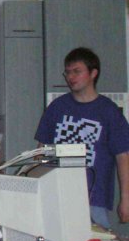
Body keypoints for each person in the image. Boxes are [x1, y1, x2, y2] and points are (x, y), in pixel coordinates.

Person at [34, 47, 129, 227]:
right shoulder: (57, 108)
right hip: (57, 196)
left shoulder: (108, 111)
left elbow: (123, 156)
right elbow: (41, 153)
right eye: (67, 72)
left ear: (93, 73)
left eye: (77, 71)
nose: (70, 77)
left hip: (94, 199)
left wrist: (126, 199)